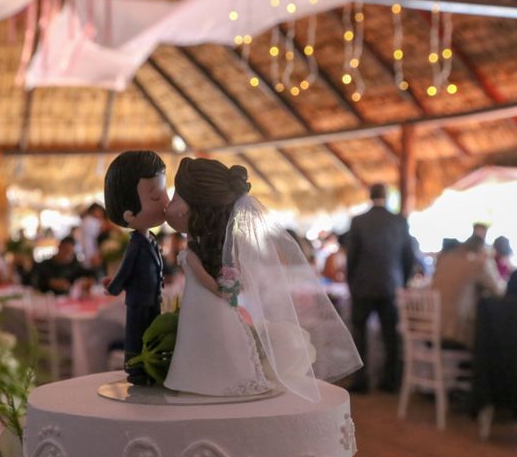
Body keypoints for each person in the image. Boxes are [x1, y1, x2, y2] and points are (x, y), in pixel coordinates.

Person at [163, 157, 361, 399]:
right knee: (204, 339)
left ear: (192, 207)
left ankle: (208, 378)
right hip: (203, 307)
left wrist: (221, 289)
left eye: (174, 199)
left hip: (208, 305)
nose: (168, 206)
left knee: (207, 339)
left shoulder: (195, 253)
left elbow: (206, 279)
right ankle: (199, 377)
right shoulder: (202, 247)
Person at [103, 151, 168, 385]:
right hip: (139, 299)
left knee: (151, 332)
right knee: (136, 333)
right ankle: (135, 366)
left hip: (152, 297)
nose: (166, 202)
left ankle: (151, 364)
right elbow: (125, 270)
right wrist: (114, 288)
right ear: (129, 214)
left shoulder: (150, 240)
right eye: (155, 197)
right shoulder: (136, 245)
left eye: (164, 193)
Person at [346, 183, 414, 393]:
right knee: (390, 336)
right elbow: (408, 257)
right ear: (387, 196)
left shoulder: (358, 221)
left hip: (363, 285)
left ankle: (361, 381)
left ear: (370, 196)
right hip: (390, 286)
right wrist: (402, 282)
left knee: (360, 334)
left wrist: (352, 283)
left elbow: (352, 258)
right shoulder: (399, 221)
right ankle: (390, 382)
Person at [432, 235, 505, 349]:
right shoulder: (479, 263)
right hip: (457, 336)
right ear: (482, 249)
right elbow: (499, 291)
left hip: (433, 330)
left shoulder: (446, 259)